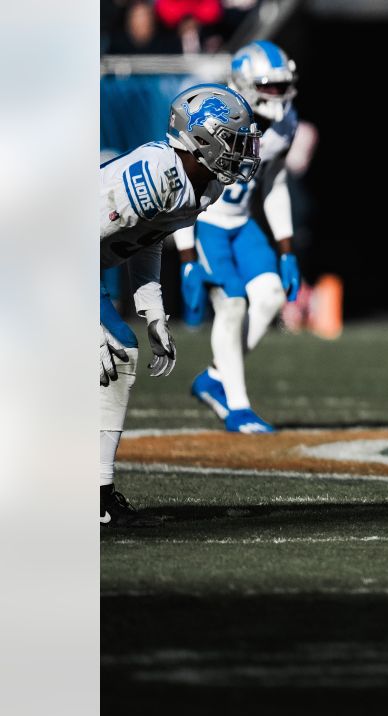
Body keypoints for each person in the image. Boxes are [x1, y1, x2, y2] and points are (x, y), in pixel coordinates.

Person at [100, 84, 260, 527]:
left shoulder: (202, 186)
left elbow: (145, 240)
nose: (243, 151)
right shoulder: (156, 174)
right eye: (234, 139)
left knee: (117, 355)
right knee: (115, 351)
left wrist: (152, 311)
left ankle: (95, 500)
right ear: (203, 139)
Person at [175, 40, 300, 433]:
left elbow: (275, 182)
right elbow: (181, 186)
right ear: (244, 83)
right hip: (206, 220)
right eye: (269, 85)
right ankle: (238, 406)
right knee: (232, 305)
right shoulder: (216, 115)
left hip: (242, 222)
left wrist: (286, 249)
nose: (277, 95)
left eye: (282, 86)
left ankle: (215, 377)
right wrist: (187, 256)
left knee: (271, 296)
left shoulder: (284, 125)